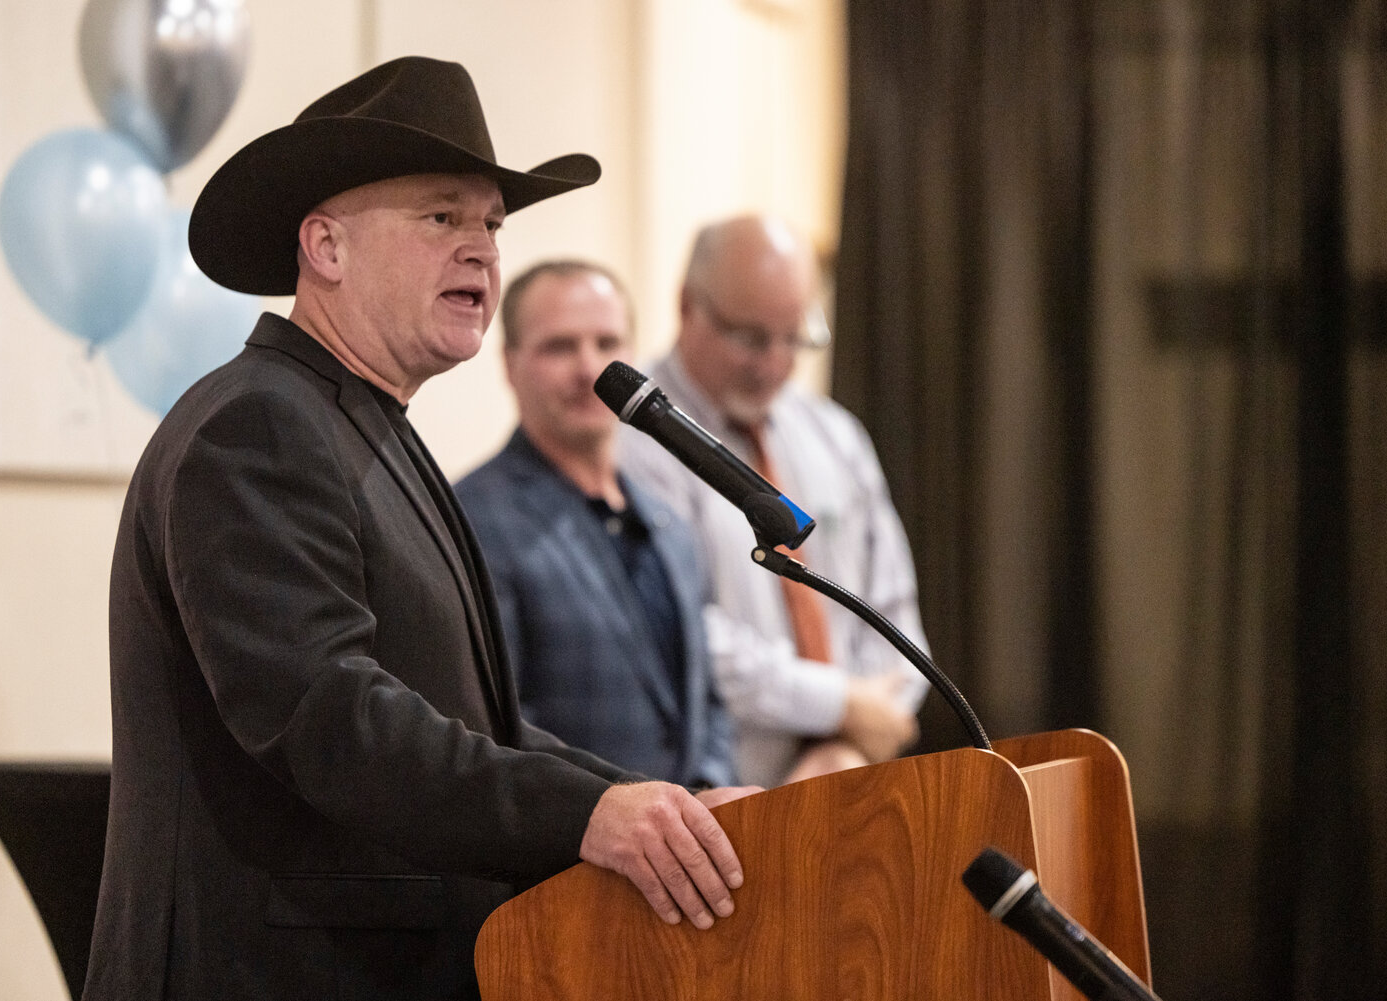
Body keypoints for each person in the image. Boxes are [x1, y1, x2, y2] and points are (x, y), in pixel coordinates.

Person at [83, 58, 752, 1001]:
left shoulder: (367, 426)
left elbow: (474, 722)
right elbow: (328, 717)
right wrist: (590, 813)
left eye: (491, 224)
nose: (480, 249)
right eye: (441, 217)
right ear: (326, 247)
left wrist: (656, 806)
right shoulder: (257, 425)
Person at [618, 214, 930, 789]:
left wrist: (845, 745)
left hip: (854, 774)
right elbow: (677, 628)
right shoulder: (634, 446)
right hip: (722, 796)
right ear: (688, 306)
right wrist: (836, 704)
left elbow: (894, 610)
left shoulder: (834, 434)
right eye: (752, 338)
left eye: (795, 337)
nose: (775, 363)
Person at [456, 261, 737, 790]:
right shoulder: (471, 520)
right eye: (559, 347)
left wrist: (712, 800)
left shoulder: (670, 522)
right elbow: (496, 727)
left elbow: (708, 701)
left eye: (607, 343)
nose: (589, 369)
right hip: (569, 858)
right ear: (510, 364)